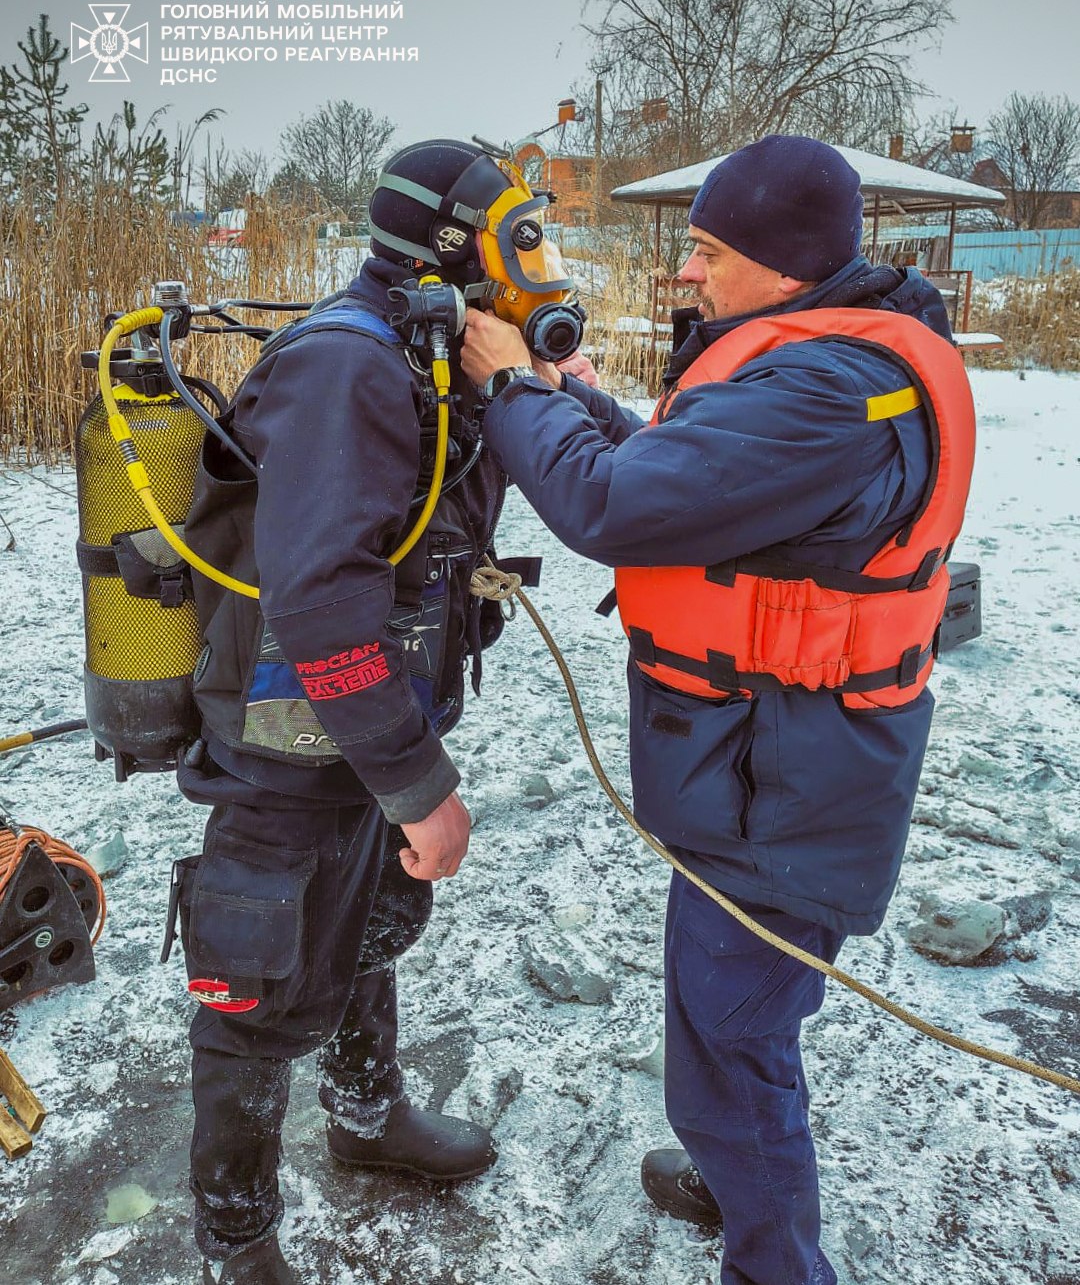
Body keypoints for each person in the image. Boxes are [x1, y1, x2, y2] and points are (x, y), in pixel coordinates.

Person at [461, 134, 975, 1285]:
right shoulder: (839, 360)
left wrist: (504, 388)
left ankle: (772, 1256)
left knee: (728, 1036)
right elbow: (704, 482)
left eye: (704, 251)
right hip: (782, 769)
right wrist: (579, 399)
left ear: (782, 267)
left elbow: (610, 505)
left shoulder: (829, 391)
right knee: (734, 1017)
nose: (685, 274)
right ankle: (735, 1166)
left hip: (782, 791)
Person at [172, 138, 562, 1285]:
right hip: (293, 746)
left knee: (369, 931)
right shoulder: (351, 363)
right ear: (454, 242)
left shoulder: (430, 350)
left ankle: (363, 1113)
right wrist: (420, 787)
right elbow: (322, 607)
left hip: (371, 730)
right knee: (255, 978)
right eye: (520, 234)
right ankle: (235, 1242)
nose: (537, 257)